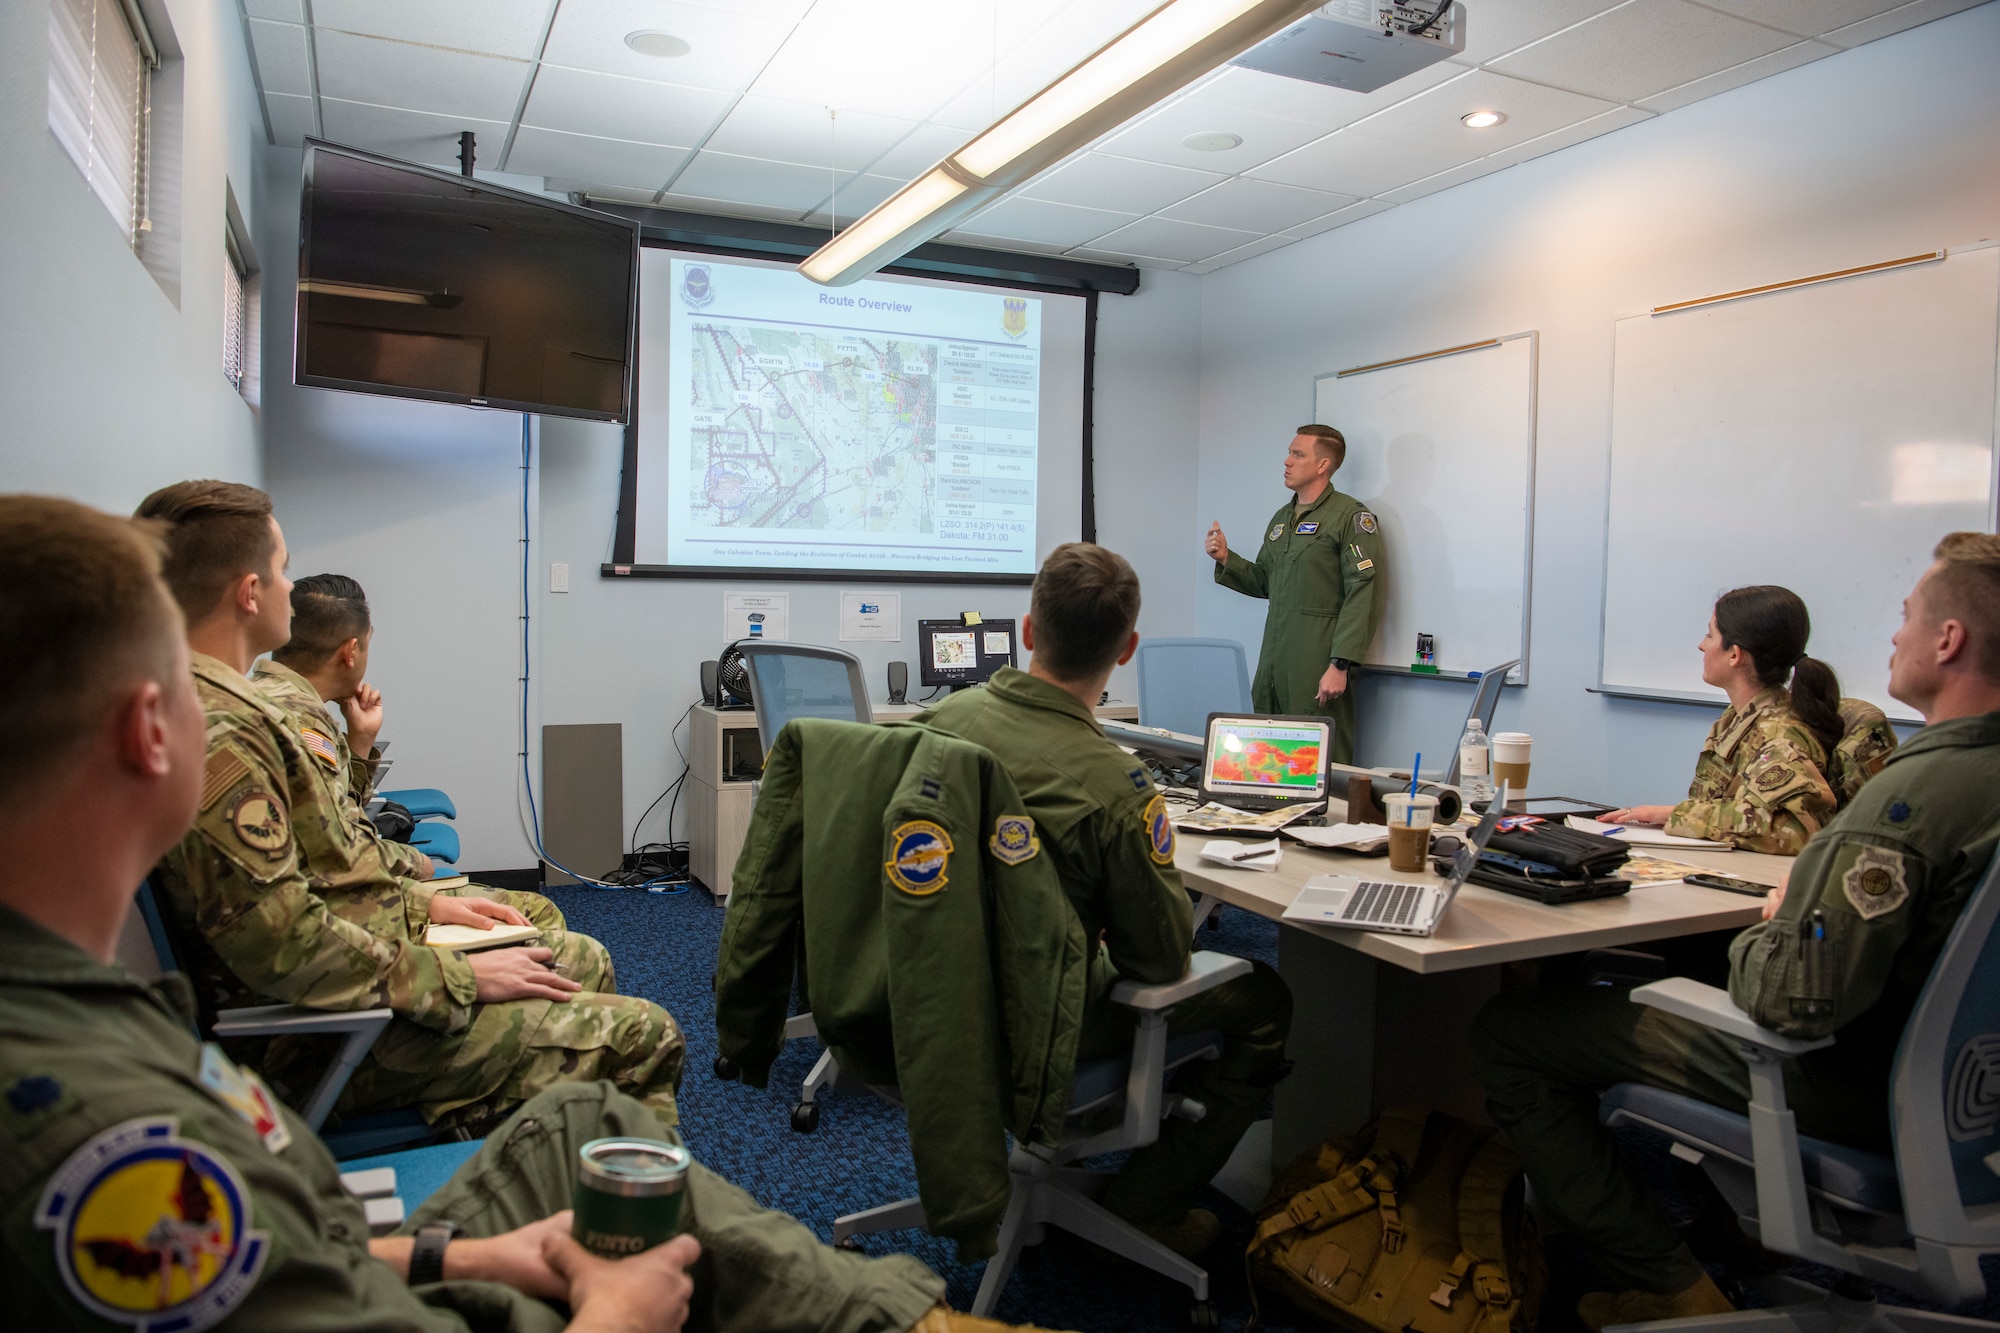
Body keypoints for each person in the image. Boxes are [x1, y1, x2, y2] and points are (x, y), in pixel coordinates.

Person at [0, 492, 1023, 1333]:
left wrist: (459, 1248)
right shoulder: (105, 1142)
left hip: (373, 1206)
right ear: (150, 729)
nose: (229, 699)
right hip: (333, 1052)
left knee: (580, 1099)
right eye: (188, 682)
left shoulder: (86, 1015)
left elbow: (282, 1242)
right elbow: (288, 942)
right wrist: (616, 1308)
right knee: (632, 1036)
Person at [1471, 533, 2000, 1331]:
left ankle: (1670, 1281)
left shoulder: (1913, 800)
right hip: (1966, 1101)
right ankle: (1742, 1234)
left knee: (1511, 1031)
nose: (1893, 636)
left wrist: (1780, 915)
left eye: (1906, 617)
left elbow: (1788, 999)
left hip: (1848, 1081)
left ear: (1949, 639)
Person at [134, 480, 678, 1134]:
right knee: (647, 1033)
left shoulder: (229, 712)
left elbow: (325, 868)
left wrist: (426, 904)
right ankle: (589, 1185)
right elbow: (284, 940)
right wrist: (456, 976)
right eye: (279, 571)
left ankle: (556, 1143)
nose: (288, 586)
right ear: (249, 594)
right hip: (310, 1039)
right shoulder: (222, 735)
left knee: (579, 964)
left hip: (341, 990)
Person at [919, 542, 1294, 1258]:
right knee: (1264, 999)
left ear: (1028, 630)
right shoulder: (1115, 787)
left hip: (927, 1007)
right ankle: (1147, 1202)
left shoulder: (938, 724)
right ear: (1128, 650)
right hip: (1039, 1029)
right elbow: (1156, 961)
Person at [255, 571, 564, 931]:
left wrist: (360, 741)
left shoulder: (275, 699)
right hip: (328, 914)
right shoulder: (299, 721)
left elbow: (335, 814)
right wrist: (414, 863)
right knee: (536, 916)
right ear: (350, 652)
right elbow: (337, 852)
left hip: (316, 899)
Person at [1605, 586, 1842, 854]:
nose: (1701, 644)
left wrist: (1677, 815)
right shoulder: (1738, 717)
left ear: (1734, 655)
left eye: (1710, 634)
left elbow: (1792, 831)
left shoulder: (1777, 734)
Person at [1204, 424, 1384, 765]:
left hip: (1317, 657)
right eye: (1289, 452)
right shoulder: (1282, 519)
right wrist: (1227, 558)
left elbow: (1363, 592)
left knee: (1316, 755)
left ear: (1323, 465)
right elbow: (1265, 581)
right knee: (1266, 752)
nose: (1287, 461)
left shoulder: (1350, 518)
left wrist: (1339, 663)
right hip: (1275, 655)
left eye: (1297, 454)